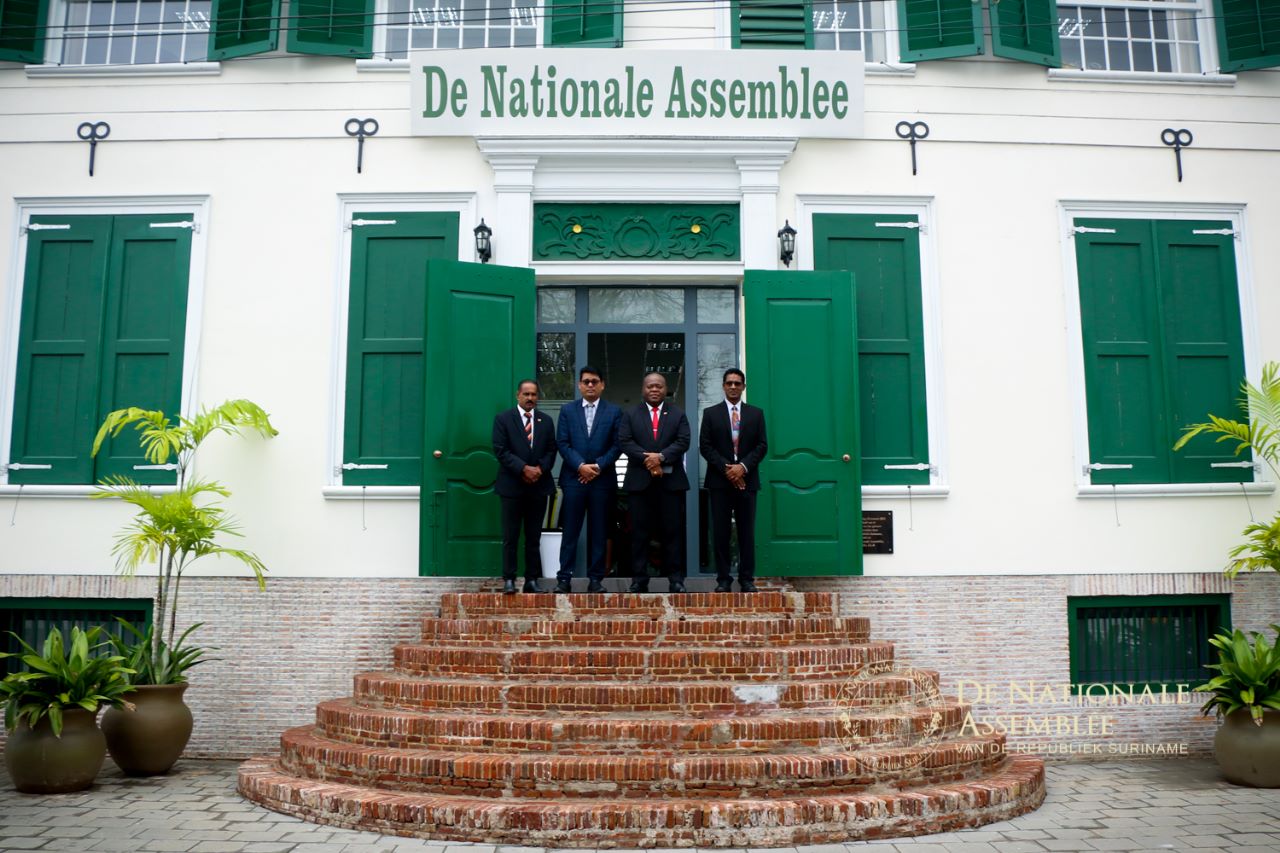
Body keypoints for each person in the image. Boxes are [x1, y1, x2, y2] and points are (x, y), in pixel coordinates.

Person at [619, 372, 691, 593]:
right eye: (650, 386)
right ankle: (639, 580)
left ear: (665, 389)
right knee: (639, 534)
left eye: (658, 386)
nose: (654, 389)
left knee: (672, 533)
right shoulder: (630, 414)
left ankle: (676, 579)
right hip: (639, 484)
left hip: (670, 484)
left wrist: (660, 457)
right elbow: (625, 441)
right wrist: (648, 459)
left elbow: (683, 441)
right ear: (643, 389)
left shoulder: (678, 414)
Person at [699, 368, 768, 593]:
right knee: (720, 533)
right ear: (723, 386)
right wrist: (727, 469)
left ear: (743, 386)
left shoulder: (756, 414)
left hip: (747, 482)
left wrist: (742, 468)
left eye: (737, 383)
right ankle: (723, 579)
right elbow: (705, 446)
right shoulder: (710, 413)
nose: (733, 387)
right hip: (719, 483)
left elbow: (762, 446)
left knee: (746, 532)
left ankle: (747, 579)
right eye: (729, 383)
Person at [555, 366, 622, 594]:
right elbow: (563, 443)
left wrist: (598, 467)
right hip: (574, 479)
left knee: (599, 532)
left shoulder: (614, 412)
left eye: (594, 381)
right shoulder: (567, 410)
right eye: (586, 381)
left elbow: (617, 445)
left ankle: (596, 580)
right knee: (570, 532)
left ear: (602, 384)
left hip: (602, 482)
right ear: (579, 385)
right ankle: (564, 579)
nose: (590, 385)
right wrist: (581, 466)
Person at [492, 380, 558, 594]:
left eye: (534, 394)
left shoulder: (546, 421)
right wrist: (523, 469)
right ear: (517, 395)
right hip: (512, 486)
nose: (530, 398)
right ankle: (509, 579)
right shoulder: (503, 419)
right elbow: (500, 450)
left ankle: (532, 580)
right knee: (510, 536)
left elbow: (551, 450)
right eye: (526, 394)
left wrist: (539, 469)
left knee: (533, 537)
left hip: (538, 486)